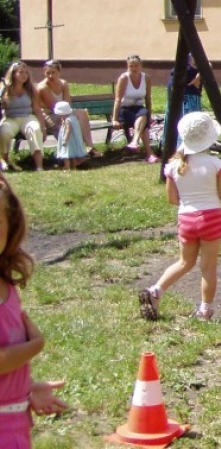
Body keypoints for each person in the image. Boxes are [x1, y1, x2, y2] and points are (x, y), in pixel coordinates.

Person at [138, 111, 221, 321]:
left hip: (186, 219)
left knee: (184, 262)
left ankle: (156, 291)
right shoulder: (215, 164)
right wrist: (213, 207)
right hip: (211, 218)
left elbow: (172, 198)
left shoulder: (172, 166)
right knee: (208, 268)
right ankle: (205, 310)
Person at [0, 179, 70, 445]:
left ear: (11, 226)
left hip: (13, 424)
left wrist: (24, 390)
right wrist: (35, 346)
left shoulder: (6, 283)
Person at [35, 60, 99, 157]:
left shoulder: (64, 83)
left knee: (82, 113)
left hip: (64, 113)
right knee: (69, 124)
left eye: (53, 72)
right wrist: (69, 118)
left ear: (59, 72)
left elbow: (67, 104)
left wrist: (69, 116)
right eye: (48, 73)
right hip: (50, 115)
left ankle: (90, 146)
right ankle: (74, 154)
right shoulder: (42, 87)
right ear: (44, 72)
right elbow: (55, 107)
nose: (51, 76)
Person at [112, 55, 159, 164]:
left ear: (141, 66)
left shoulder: (146, 78)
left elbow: (148, 98)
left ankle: (135, 142)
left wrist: (150, 115)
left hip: (139, 110)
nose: (134, 68)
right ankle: (148, 153)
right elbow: (118, 99)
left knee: (144, 114)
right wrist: (114, 119)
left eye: (136, 66)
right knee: (143, 118)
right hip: (125, 109)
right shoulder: (124, 78)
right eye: (131, 66)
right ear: (127, 66)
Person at [0, 62, 46, 172]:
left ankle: (39, 166)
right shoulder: (5, 89)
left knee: (34, 129)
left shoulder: (31, 89)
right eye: (21, 72)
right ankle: (5, 160)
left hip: (28, 117)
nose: (24, 75)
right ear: (13, 74)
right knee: (4, 131)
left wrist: (43, 127)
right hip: (11, 118)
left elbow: (37, 109)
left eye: (26, 73)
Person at [161, 54, 204, 154]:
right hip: (176, 98)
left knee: (188, 124)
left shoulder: (196, 59)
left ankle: (185, 149)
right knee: (175, 123)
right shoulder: (184, 60)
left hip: (189, 98)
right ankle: (172, 149)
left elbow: (208, 65)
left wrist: (199, 76)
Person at [53, 101, 88, 171]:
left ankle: (67, 167)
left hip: (69, 141)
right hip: (73, 140)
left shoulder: (67, 120)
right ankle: (74, 167)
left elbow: (68, 130)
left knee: (66, 155)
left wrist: (65, 140)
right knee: (73, 155)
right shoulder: (73, 118)